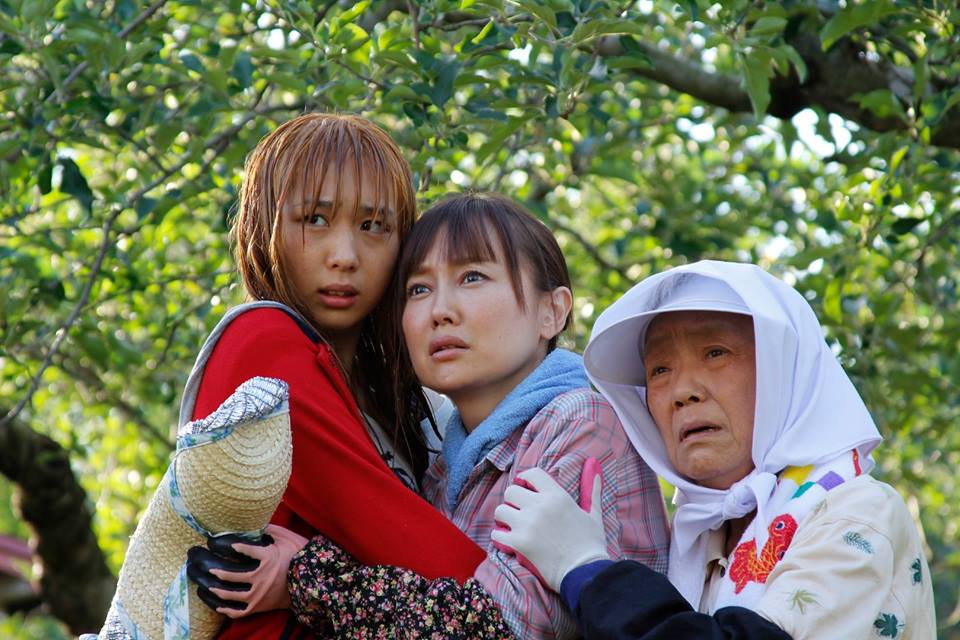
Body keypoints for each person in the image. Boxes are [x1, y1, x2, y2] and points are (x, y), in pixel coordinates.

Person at [196, 193, 671, 639]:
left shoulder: (579, 421)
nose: (440, 311)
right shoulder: (443, 464)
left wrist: (307, 577)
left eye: (472, 277)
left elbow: (513, 623)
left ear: (553, 311)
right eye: (419, 289)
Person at [492, 260, 937, 639]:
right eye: (659, 369)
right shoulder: (693, 543)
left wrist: (587, 569)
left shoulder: (857, 512)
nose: (682, 391)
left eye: (716, 353)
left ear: (784, 371)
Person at [184, 113, 487, 640]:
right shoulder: (261, 342)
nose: (344, 257)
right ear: (264, 227)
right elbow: (454, 576)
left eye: (373, 227)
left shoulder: (401, 400)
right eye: (315, 219)